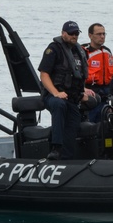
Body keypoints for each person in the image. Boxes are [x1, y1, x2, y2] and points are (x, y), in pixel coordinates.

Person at [38, 20, 94, 160]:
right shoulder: (53, 50)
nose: (74, 36)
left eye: (76, 33)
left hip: (72, 97)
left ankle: (68, 157)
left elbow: (77, 76)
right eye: (71, 33)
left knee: (74, 121)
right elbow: (44, 75)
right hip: (53, 95)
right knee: (59, 105)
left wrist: (83, 91)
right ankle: (55, 148)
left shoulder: (78, 51)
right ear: (63, 33)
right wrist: (55, 93)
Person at [82, 22, 113, 122]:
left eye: (103, 34)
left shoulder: (107, 51)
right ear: (90, 35)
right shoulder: (83, 51)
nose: (102, 37)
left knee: (104, 125)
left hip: (106, 95)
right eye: (99, 34)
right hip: (91, 94)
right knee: (91, 124)